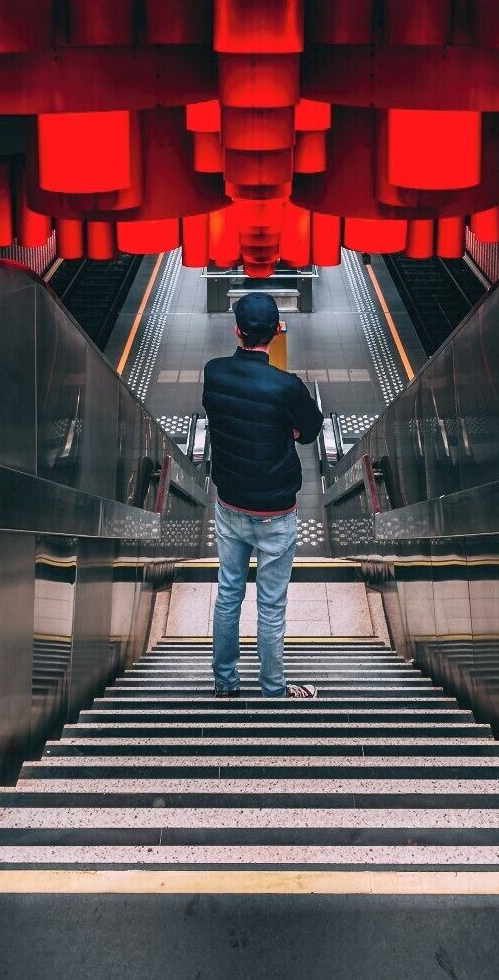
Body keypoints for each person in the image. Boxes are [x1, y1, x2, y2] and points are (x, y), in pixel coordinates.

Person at [201, 290, 326, 699]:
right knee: (271, 605)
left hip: (230, 504)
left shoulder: (214, 372)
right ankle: (273, 690)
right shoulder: (286, 386)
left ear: (237, 330)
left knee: (229, 592)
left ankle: (225, 684)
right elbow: (309, 430)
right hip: (275, 512)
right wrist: (284, 428)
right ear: (276, 332)